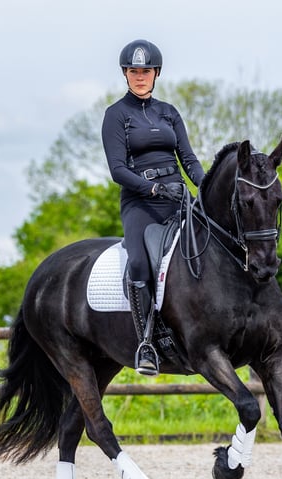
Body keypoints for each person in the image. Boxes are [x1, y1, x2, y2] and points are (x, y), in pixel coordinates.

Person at [101, 39, 205, 376]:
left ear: (156, 73)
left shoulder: (169, 112)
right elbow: (118, 170)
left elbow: (187, 158)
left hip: (178, 197)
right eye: (134, 71)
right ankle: (147, 342)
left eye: (145, 70)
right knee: (141, 264)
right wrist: (154, 187)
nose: (140, 76)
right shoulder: (116, 115)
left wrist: (206, 186)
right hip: (141, 203)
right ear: (126, 74)